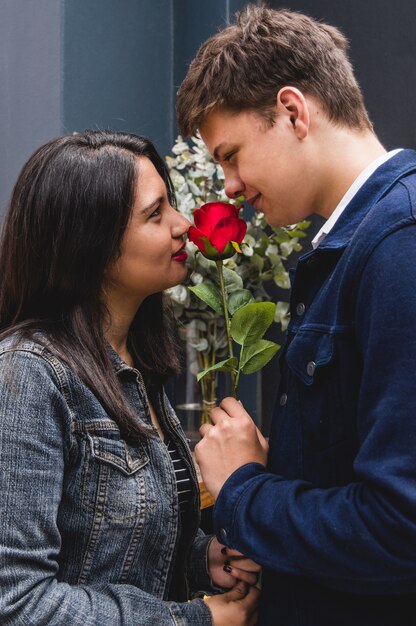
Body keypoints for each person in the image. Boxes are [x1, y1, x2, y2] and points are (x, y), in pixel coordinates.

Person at [176, 5, 416, 626]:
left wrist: (242, 491)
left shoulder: (400, 246)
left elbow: (401, 531)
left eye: (231, 154)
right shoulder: (356, 246)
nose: (227, 185)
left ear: (292, 110)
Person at [0, 130, 260, 626]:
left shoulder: (136, 365)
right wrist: (193, 620)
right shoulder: (27, 376)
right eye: (155, 213)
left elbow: (118, 552)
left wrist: (202, 558)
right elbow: (18, 602)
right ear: (91, 246)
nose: (183, 224)